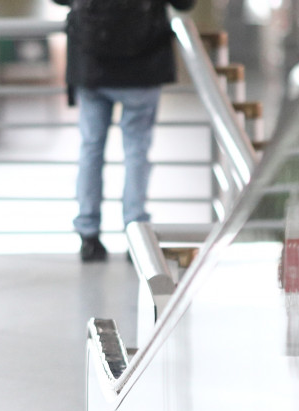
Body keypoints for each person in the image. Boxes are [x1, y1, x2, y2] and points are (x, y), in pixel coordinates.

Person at [53, 0, 197, 262]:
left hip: (91, 62)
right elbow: (185, 3)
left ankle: (89, 234)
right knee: (136, 151)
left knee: (91, 149)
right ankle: (136, 232)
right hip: (143, 66)